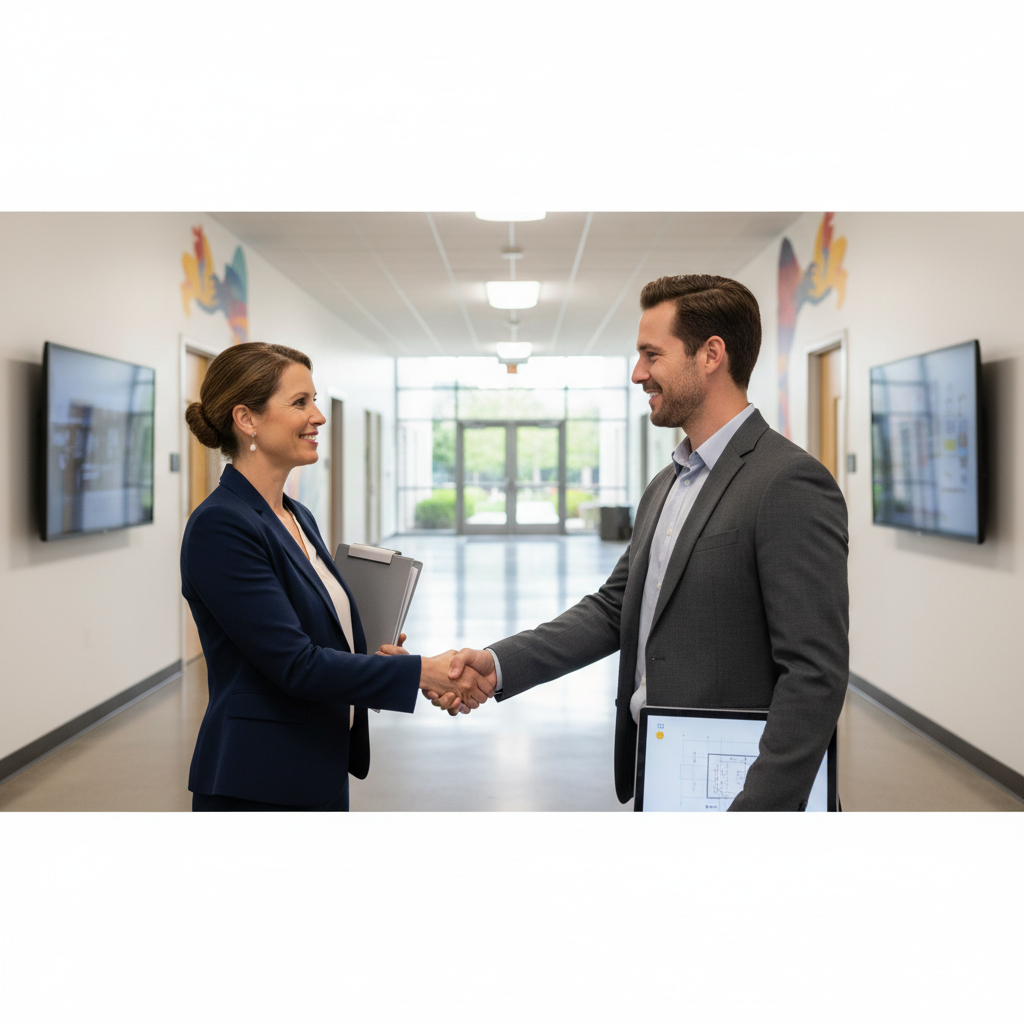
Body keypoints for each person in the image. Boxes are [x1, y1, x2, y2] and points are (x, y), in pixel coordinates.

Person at [417, 275, 849, 810]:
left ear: (711, 354)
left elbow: (815, 675)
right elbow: (614, 608)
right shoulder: (669, 482)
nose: (637, 373)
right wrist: (496, 663)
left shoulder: (787, 482)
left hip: (740, 787)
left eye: (651, 354)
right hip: (663, 768)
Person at [182, 342, 492, 811]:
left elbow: (313, 632)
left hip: (317, 761)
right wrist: (422, 671)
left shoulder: (294, 514)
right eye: (300, 402)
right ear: (247, 419)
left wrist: (378, 654)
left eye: (315, 400)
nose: (319, 417)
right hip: (259, 777)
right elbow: (294, 664)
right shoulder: (221, 525)